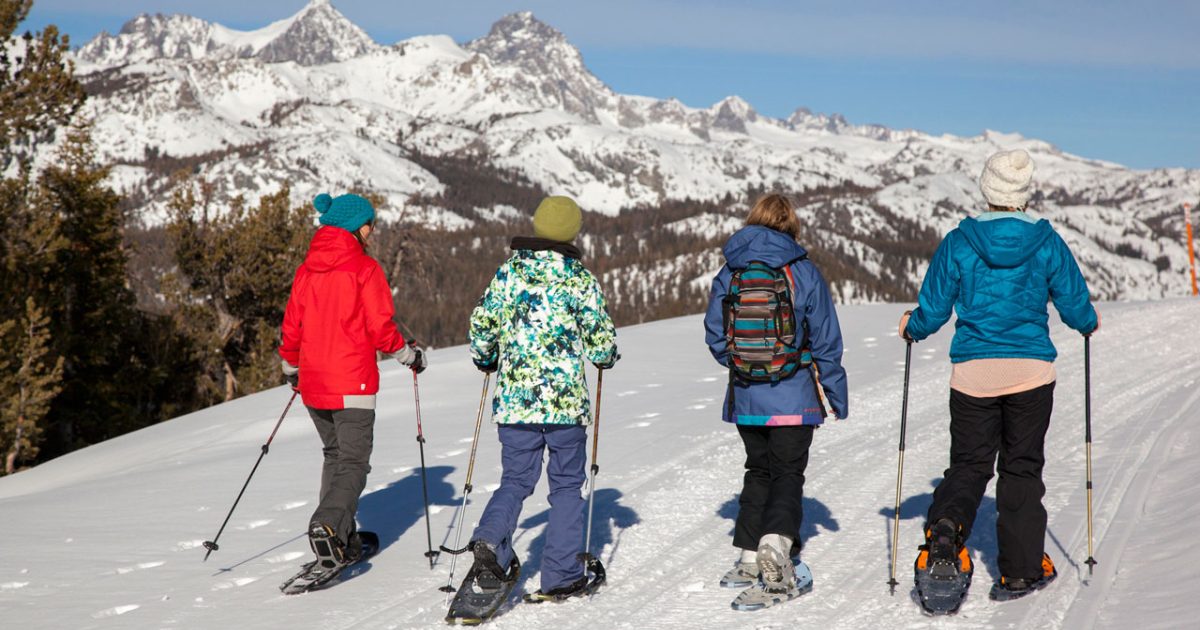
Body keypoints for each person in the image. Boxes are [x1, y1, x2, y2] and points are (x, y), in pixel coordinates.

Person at [899, 149, 1099, 601]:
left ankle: (946, 530)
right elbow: (1075, 306)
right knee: (1021, 468)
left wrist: (912, 327)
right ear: (1022, 193)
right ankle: (1021, 571)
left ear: (987, 189)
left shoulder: (959, 241)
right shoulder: (1047, 242)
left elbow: (932, 309)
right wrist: (1088, 321)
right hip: (1030, 373)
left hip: (974, 374)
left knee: (970, 465)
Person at [463, 195, 618, 601]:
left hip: (515, 404)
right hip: (565, 406)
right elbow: (600, 339)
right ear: (571, 232)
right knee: (566, 485)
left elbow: (481, 324)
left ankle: (490, 540)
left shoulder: (509, 273)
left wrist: (487, 358)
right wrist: (604, 357)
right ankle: (561, 575)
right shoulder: (577, 277)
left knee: (515, 480)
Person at [703, 193, 848, 609]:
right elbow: (825, 340)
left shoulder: (730, 271)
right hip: (795, 395)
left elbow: (716, 336)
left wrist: (744, 367)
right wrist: (835, 395)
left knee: (758, 470)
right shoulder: (802, 271)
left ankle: (749, 555)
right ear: (792, 225)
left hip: (747, 398)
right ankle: (776, 547)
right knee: (787, 474)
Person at [279, 193, 426, 572]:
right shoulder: (364, 269)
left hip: (313, 383)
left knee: (335, 456)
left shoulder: (306, 270)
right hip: (352, 383)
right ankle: (327, 525)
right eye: (370, 224)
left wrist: (291, 366)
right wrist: (408, 355)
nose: (372, 231)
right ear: (356, 227)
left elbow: (292, 326)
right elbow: (381, 329)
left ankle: (341, 539)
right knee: (354, 462)